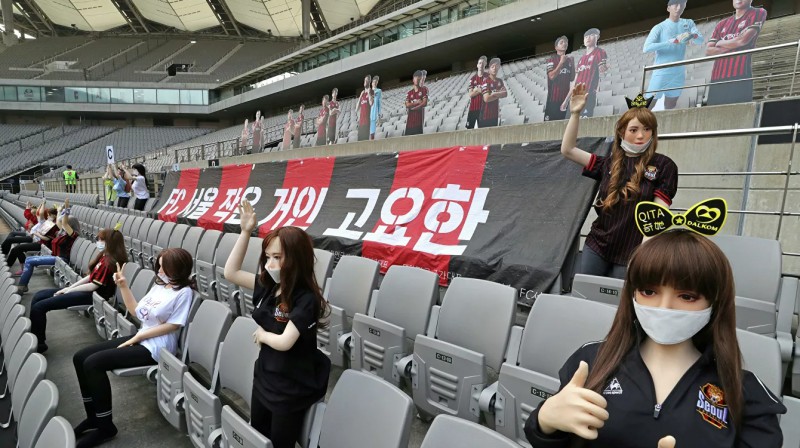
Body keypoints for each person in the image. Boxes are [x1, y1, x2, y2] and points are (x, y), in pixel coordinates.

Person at [524, 230, 786, 447]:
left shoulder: (746, 395)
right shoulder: (591, 362)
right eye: (649, 291)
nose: (665, 308)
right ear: (632, 295)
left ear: (714, 303)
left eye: (687, 296)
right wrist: (544, 422)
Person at [223, 200, 330, 448]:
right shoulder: (270, 286)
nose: (270, 264)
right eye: (268, 257)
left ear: (296, 259)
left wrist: (262, 336)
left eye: (278, 258)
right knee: (258, 437)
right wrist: (245, 232)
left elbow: (284, 341)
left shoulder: (306, 298)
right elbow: (231, 273)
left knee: (280, 443)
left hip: (290, 386)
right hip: (265, 375)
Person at [72, 248, 194, 448]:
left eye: (165, 267)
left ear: (179, 269)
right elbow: (136, 312)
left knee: (93, 364)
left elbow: (173, 325)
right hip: (141, 338)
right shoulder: (160, 285)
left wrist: (138, 336)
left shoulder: (184, 292)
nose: (160, 271)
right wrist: (123, 285)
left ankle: (105, 426)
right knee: (80, 357)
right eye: (159, 266)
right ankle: (92, 417)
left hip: (158, 347)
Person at [561, 86, 678, 278]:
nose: (641, 135)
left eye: (647, 129)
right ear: (622, 132)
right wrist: (575, 114)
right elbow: (568, 150)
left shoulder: (664, 166)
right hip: (597, 246)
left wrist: (644, 255)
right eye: (634, 130)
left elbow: (656, 218)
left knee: (618, 304)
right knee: (585, 296)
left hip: (633, 252)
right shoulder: (609, 162)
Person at [30, 226, 126, 353]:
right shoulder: (104, 256)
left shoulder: (110, 262)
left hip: (92, 296)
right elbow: (89, 278)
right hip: (86, 291)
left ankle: (39, 344)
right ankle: (35, 338)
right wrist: (69, 288)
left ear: (109, 242)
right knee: (39, 295)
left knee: (39, 307)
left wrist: (68, 291)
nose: (98, 241)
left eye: (101, 239)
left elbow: (93, 286)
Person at [644, 0, 703, 110]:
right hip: (661, 71)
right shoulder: (659, 27)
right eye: (675, 4)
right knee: (648, 104)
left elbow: (700, 40)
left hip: (678, 72)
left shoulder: (689, 23)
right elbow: (646, 48)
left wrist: (692, 35)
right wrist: (671, 42)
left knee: (671, 104)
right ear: (668, 8)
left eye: (682, 4)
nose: (678, 7)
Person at [705, 0, 767, 106]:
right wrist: (734, 44)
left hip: (740, 75)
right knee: (714, 114)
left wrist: (720, 42)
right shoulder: (722, 24)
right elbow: (708, 51)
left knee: (738, 114)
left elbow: (742, 41)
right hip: (717, 78)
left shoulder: (758, 12)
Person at [17, 202, 80, 293]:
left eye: (64, 223)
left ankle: (21, 287)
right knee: (29, 259)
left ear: (70, 225)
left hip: (62, 259)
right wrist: (59, 211)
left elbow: (64, 223)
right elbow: (59, 221)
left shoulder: (73, 235)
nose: (61, 224)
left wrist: (67, 209)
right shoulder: (63, 232)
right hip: (56, 257)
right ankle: (23, 285)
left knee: (30, 261)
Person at [563, 28, 608, 118]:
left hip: (588, 95)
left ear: (597, 37)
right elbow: (575, 81)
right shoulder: (581, 59)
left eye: (591, 35)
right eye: (586, 37)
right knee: (568, 125)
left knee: (582, 126)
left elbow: (602, 72)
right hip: (575, 97)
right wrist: (566, 100)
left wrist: (604, 69)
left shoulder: (600, 52)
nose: (588, 38)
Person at [6, 205, 58, 270]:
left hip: (42, 245)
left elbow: (47, 239)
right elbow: (38, 214)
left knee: (17, 249)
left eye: (49, 215)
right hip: (40, 243)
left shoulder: (54, 226)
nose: (47, 216)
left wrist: (37, 233)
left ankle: (20, 268)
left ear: (54, 215)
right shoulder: (49, 223)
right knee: (16, 249)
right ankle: (10, 266)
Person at [545, 37, 575, 121]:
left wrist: (573, 64)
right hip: (554, 99)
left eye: (566, 42)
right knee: (551, 125)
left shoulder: (569, 60)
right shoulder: (551, 59)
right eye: (561, 42)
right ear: (556, 47)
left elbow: (572, 78)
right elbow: (551, 76)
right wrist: (561, 63)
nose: (564, 44)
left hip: (565, 100)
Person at [480, 58, 508, 128]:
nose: (494, 68)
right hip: (485, 116)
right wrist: (499, 93)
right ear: (489, 69)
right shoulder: (485, 81)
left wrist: (494, 94)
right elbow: (486, 99)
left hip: (495, 115)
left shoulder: (499, 81)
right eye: (492, 67)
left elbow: (505, 94)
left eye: (496, 66)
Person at [466, 56, 488, 129]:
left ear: (485, 65)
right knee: (469, 130)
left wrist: (477, 89)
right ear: (477, 65)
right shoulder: (472, 79)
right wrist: (480, 90)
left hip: (484, 109)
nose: (481, 65)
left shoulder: (488, 77)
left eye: (483, 63)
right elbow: (470, 94)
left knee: (483, 130)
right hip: (472, 109)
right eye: (480, 63)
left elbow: (488, 93)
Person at [405, 70, 428, 136]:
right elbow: (407, 105)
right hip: (410, 122)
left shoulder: (424, 89)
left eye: (423, 79)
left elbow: (424, 103)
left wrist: (413, 107)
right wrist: (417, 102)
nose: (421, 81)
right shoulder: (410, 93)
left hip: (418, 119)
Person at [357, 75, 372, 141]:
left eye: (366, 80)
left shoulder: (371, 91)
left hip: (367, 121)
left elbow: (371, 103)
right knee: (359, 141)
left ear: (369, 81)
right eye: (364, 80)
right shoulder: (362, 94)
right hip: (361, 122)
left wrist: (369, 94)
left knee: (365, 141)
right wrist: (360, 97)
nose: (365, 82)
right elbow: (356, 108)